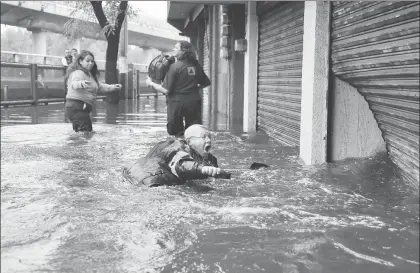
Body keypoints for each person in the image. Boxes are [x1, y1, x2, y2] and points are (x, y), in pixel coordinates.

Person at [123, 124, 231, 187]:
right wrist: (202, 169)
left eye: (210, 137)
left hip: (137, 173)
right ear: (190, 141)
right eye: (203, 137)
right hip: (151, 181)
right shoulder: (179, 147)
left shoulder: (209, 158)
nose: (208, 140)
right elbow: (181, 165)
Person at [145, 41, 211, 137]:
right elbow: (205, 83)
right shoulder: (195, 65)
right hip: (193, 102)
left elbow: (166, 90)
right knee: (194, 132)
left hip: (177, 104)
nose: (173, 49)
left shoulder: (174, 67)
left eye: (176, 48)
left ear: (183, 51)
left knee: (176, 133)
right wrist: (193, 87)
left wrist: (151, 83)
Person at [65, 50, 122, 132]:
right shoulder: (78, 73)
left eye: (92, 61)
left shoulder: (89, 75)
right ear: (81, 61)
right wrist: (81, 83)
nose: (91, 63)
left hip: (80, 108)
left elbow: (99, 86)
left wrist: (113, 87)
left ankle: (76, 143)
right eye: (87, 61)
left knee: (82, 133)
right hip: (77, 106)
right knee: (86, 133)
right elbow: (73, 84)